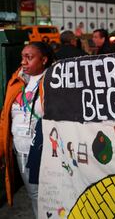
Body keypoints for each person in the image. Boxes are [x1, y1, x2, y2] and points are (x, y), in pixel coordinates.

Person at [0, 42, 55, 218]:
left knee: (48, 195)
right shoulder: (16, 80)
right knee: (34, 194)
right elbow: (5, 117)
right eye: (22, 57)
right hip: (20, 149)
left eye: (29, 57)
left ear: (44, 60)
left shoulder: (53, 82)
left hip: (43, 150)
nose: (23, 62)